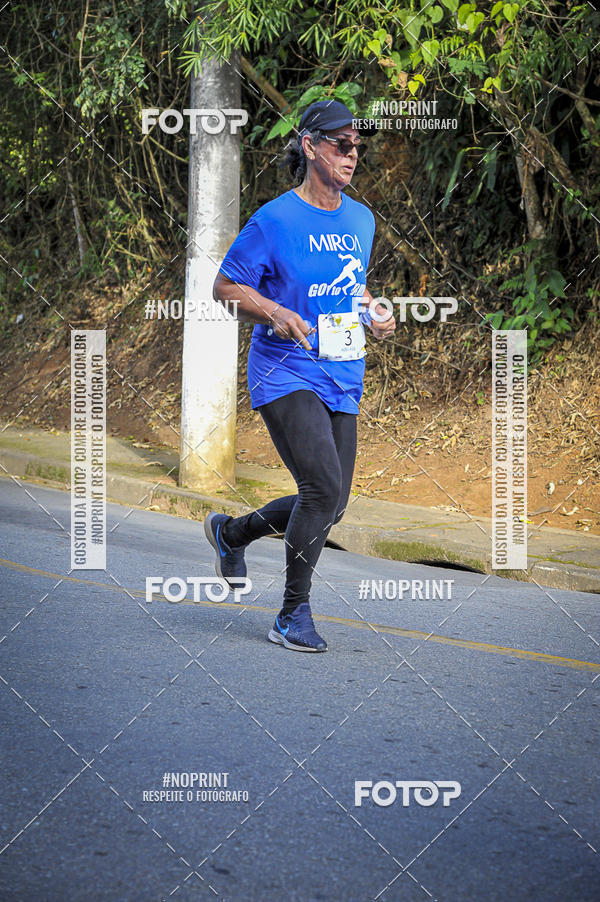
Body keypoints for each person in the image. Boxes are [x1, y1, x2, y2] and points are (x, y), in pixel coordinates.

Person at [204, 100, 396, 653]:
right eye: (341, 143)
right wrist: (274, 313)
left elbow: (348, 288)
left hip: (342, 370)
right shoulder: (275, 219)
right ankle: (292, 614)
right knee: (322, 488)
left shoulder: (362, 220)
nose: (352, 153)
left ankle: (232, 532)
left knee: (332, 503)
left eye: (358, 145)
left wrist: (373, 312)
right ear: (310, 146)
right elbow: (225, 288)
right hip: (284, 371)